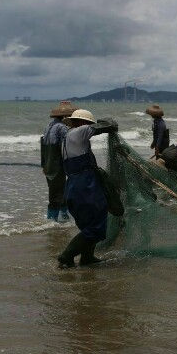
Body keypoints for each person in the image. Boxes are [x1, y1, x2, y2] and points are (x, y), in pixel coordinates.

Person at [56, 109, 119, 268]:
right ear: (83, 122)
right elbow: (110, 125)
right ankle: (66, 255)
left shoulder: (67, 137)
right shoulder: (81, 131)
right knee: (96, 225)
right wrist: (106, 120)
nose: (89, 126)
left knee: (88, 223)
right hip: (85, 183)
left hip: (73, 183)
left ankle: (87, 257)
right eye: (89, 123)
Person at [41, 101, 77, 221]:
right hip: (57, 164)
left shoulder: (49, 125)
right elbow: (66, 146)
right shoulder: (62, 127)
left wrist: (44, 164)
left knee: (59, 190)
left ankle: (64, 217)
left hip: (48, 164)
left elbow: (43, 146)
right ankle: (52, 221)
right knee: (56, 194)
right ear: (66, 117)